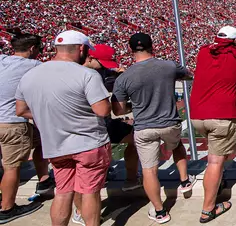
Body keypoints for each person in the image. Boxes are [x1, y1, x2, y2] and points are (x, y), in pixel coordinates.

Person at [16, 30, 112, 226]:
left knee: (63, 191)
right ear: (81, 48)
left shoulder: (30, 75)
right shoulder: (86, 73)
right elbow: (102, 110)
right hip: (88, 142)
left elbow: (20, 110)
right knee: (89, 192)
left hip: (55, 144)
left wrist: (52, 115)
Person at [112, 33, 195, 224]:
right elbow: (188, 75)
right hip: (168, 121)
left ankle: (159, 211)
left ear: (131, 50)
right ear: (152, 46)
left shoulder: (125, 77)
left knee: (149, 170)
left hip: (144, 126)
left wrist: (136, 105)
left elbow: (119, 109)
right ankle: (184, 181)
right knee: (176, 147)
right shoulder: (168, 65)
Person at [190, 26, 236, 222]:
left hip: (197, 115)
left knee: (214, 158)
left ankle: (217, 183)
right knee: (215, 162)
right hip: (221, 115)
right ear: (235, 41)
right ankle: (208, 209)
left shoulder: (203, 51)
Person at [0, 34, 53, 223]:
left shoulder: (3, 59)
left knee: (40, 140)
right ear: (32, 48)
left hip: (4, 121)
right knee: (12, 167)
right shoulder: (35, 66)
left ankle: (45, 179)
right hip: (11, 123)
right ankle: (7, 209)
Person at [83, 44, 141, 193]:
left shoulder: (94, 71)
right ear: (90, 58)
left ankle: (118, 175)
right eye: (102, 63)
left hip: (93, 124)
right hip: (95, 123)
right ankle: (131, 179)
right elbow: (104, 108)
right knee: (136, 138)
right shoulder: (90, 76)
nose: (104, 67)